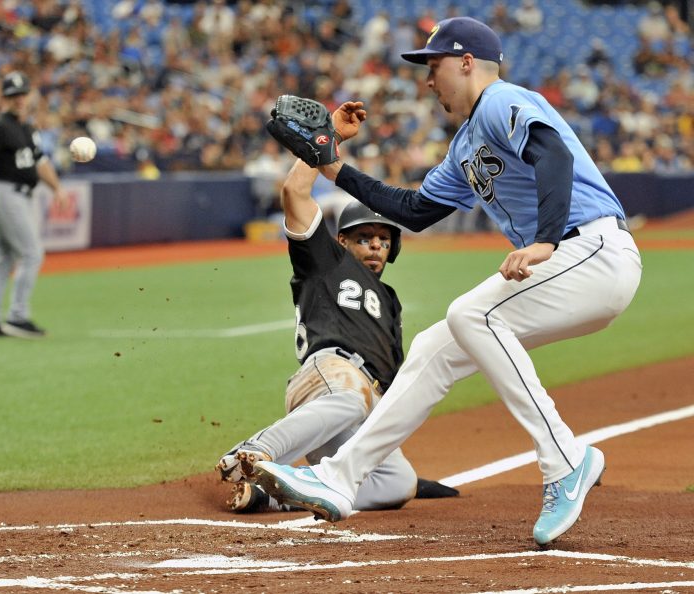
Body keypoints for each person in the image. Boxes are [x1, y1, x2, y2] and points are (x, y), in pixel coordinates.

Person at [253, 17, 642, 546]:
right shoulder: (464, 145)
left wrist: (546, 239)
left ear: (466, 63)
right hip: (571, 263)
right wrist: (332, 165)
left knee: (470, 313)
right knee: (437, 346)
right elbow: (413, 211)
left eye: (434, 66)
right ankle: (338, 480)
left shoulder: (504, 101)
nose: (428, 80)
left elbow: (552, 152)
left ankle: (565, 459)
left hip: (592, 250)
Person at [216, 154, 458, 513]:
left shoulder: (389, 301)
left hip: (365, 399)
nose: (376, 245)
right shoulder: (326, 261)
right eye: (365, 238)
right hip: (330, 375)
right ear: (343, 241)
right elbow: (295, 192)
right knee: (351, 399)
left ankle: (273, 495)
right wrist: (319, 148)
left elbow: (392, 379)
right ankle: (250, 453)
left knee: (397, 483)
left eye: (383, 239)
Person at [0, 71, 66, 340]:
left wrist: (56, 188)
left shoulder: (27, 129)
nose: (19, 100)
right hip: (5, 194)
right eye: (13, 95)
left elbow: (40, 163)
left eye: (22, 94)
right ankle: (17, 317)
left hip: (20, 195)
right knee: (32, 254)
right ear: (4, 98)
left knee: (3, 260)